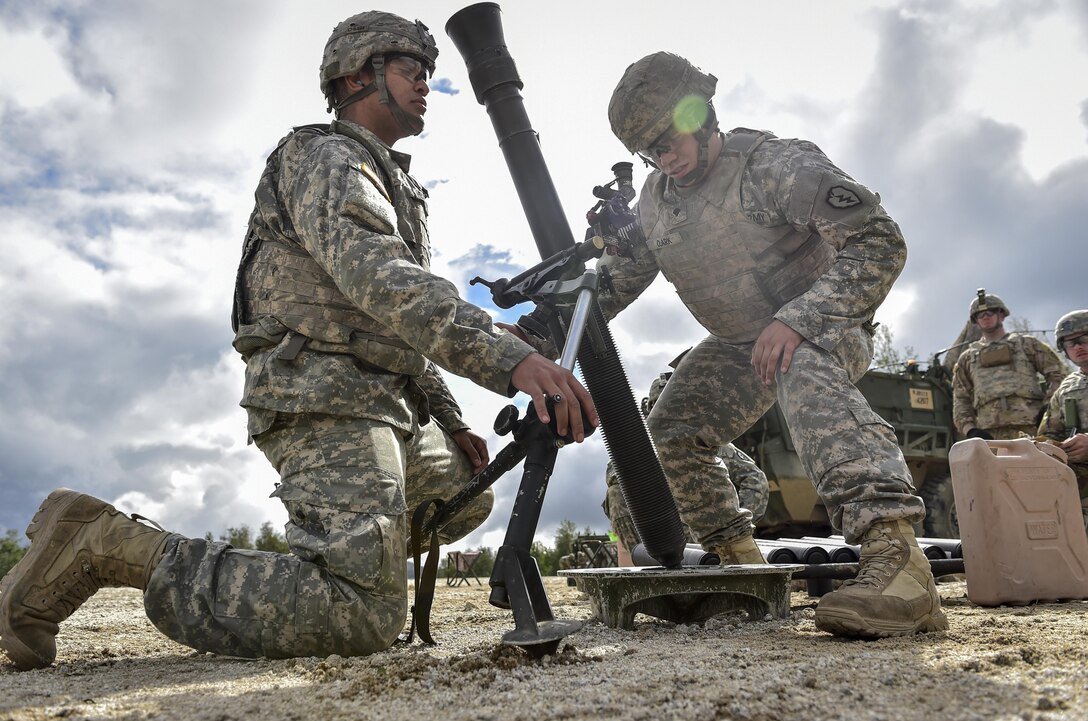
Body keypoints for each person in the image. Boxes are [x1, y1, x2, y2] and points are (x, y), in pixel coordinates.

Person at [0, 11, 596, 671]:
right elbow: (386, 282)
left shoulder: (391, 179)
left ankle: (336, 557)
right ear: (358, 76)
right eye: (410, 70)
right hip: (323, 391)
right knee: (363, 614)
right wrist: (508, 358)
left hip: (383, 396)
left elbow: (393, 322)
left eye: (429, 73)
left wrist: (451, 418)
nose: (426, 85)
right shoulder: (326, 157)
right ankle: (103, 542)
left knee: (467, 489)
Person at [596, 51, 945, 638]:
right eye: (648, 150)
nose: (664, 158)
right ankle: (741, 569)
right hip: (738, 343)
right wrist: (540, 327)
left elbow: (879, 241)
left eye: (669, 138)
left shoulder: (774, 166)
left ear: (701, 111)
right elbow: (615, 284)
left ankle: (901, 564)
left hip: (828, 325)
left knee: (800, 364)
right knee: (673, 428)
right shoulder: (656, 202)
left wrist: (801, 317)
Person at [602, 371, 770, 559]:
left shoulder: (707, 441)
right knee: (616, 492)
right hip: (660, 535)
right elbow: (615, 477)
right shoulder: (638, 447)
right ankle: (653, 563)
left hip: (707, 534)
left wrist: (736, 529)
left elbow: (756, 481)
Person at [951, 289, 1065, 441]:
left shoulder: (1027, 345)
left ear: (1001, 315)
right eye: (980, 315)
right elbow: (960, 398)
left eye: (990, 313)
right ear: (975, 321)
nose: (985, 318)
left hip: (1033, 427)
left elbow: (1058, 375)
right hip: (989, 433)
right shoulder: (967, 358)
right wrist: (970, 429)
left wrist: (1048, 411)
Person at [1037, 310, 1088, 528]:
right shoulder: (1067, 387)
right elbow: (1050, 434)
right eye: (1070, 343)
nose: (1078, 347)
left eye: (1084, 339)